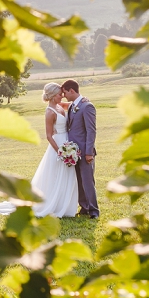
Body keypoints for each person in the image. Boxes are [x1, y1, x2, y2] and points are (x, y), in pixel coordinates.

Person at [0, 82, 79, 218]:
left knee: (66, 175)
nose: (62, 97)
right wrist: (61, 151)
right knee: (55, 176)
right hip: (58, 145)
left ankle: (63, 204)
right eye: (60, 94)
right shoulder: (50, 112)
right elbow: (48, 136)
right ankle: (51, 203)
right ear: (53, 96)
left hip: (67, 141)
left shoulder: (59, 106)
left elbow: (74, 106)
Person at [61, 79, 99, 218]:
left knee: (88, 181)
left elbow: (91, 131)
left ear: (72, 91)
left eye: (65, 92)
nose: (64, 95)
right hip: (73, 152)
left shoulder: (87, 106)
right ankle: (84, 207)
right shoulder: (72, 106)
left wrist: (89, 152)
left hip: (85, 151)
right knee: (79, 181)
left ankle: (94, 211)